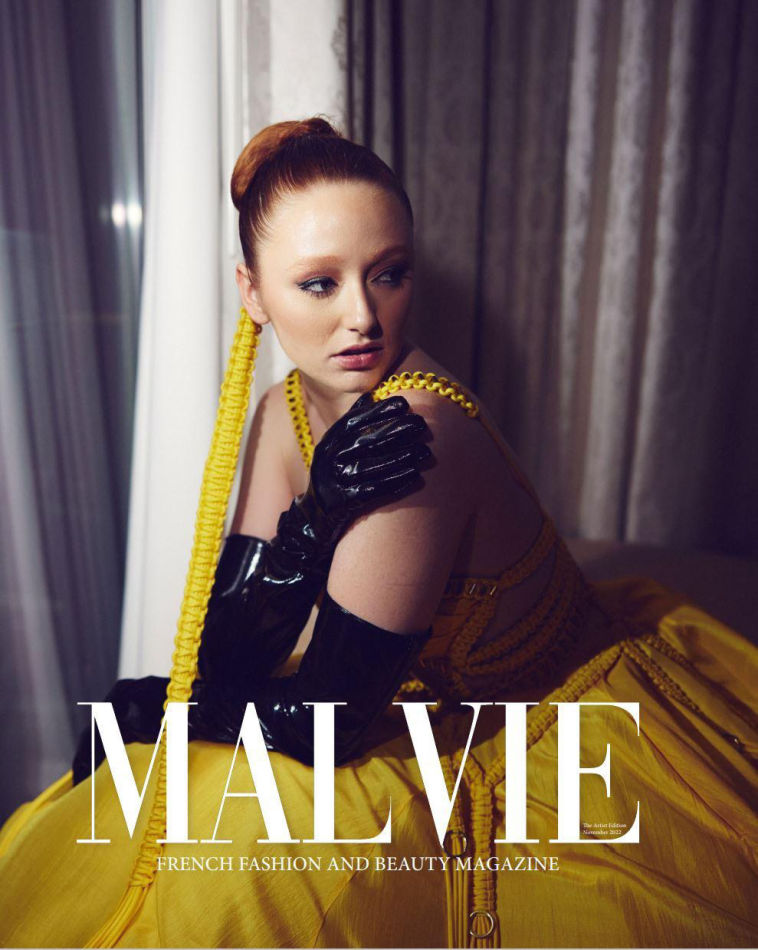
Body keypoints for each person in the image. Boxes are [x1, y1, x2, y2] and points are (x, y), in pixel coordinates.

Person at [0, 116, 756, 950]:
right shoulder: (284, 408)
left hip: (544, 733)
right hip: (400, 705)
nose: (362, 316)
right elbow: (233, 654)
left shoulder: (417, 432)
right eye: (318, 284)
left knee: (234, 860)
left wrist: (169, 712)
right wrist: (312, 518)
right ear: (253, 293)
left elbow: (320, 725)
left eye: (388, 274)